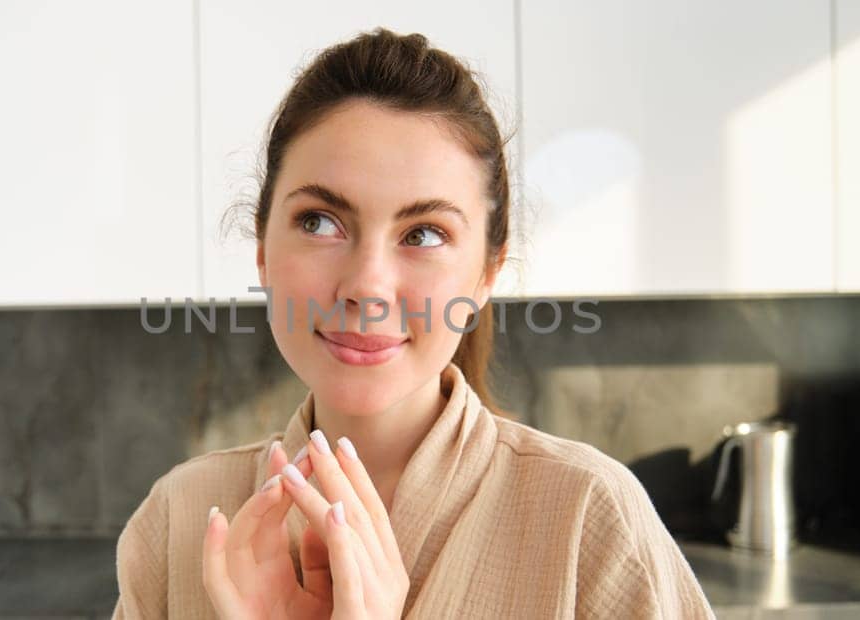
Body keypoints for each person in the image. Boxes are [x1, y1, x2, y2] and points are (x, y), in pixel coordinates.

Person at [113, 28, 714, 619]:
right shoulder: (180, 521)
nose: (368, 287)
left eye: (423, 234)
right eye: (320, 221)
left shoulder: (588, 516)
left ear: (486, 274)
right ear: (263, 252)